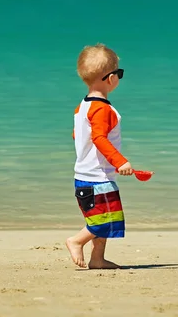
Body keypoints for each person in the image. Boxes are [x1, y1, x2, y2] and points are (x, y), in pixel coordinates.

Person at [65, 43, 133, 269]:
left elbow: (78, 135)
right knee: (105, 219)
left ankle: (97, 259)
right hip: (97, 177)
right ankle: (76, 241)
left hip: (86, 175)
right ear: (110, 78)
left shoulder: (82, 107)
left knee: (100, 217)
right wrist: (120, 161)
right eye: (119, 73)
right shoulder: (102, 109)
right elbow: (99, 139)